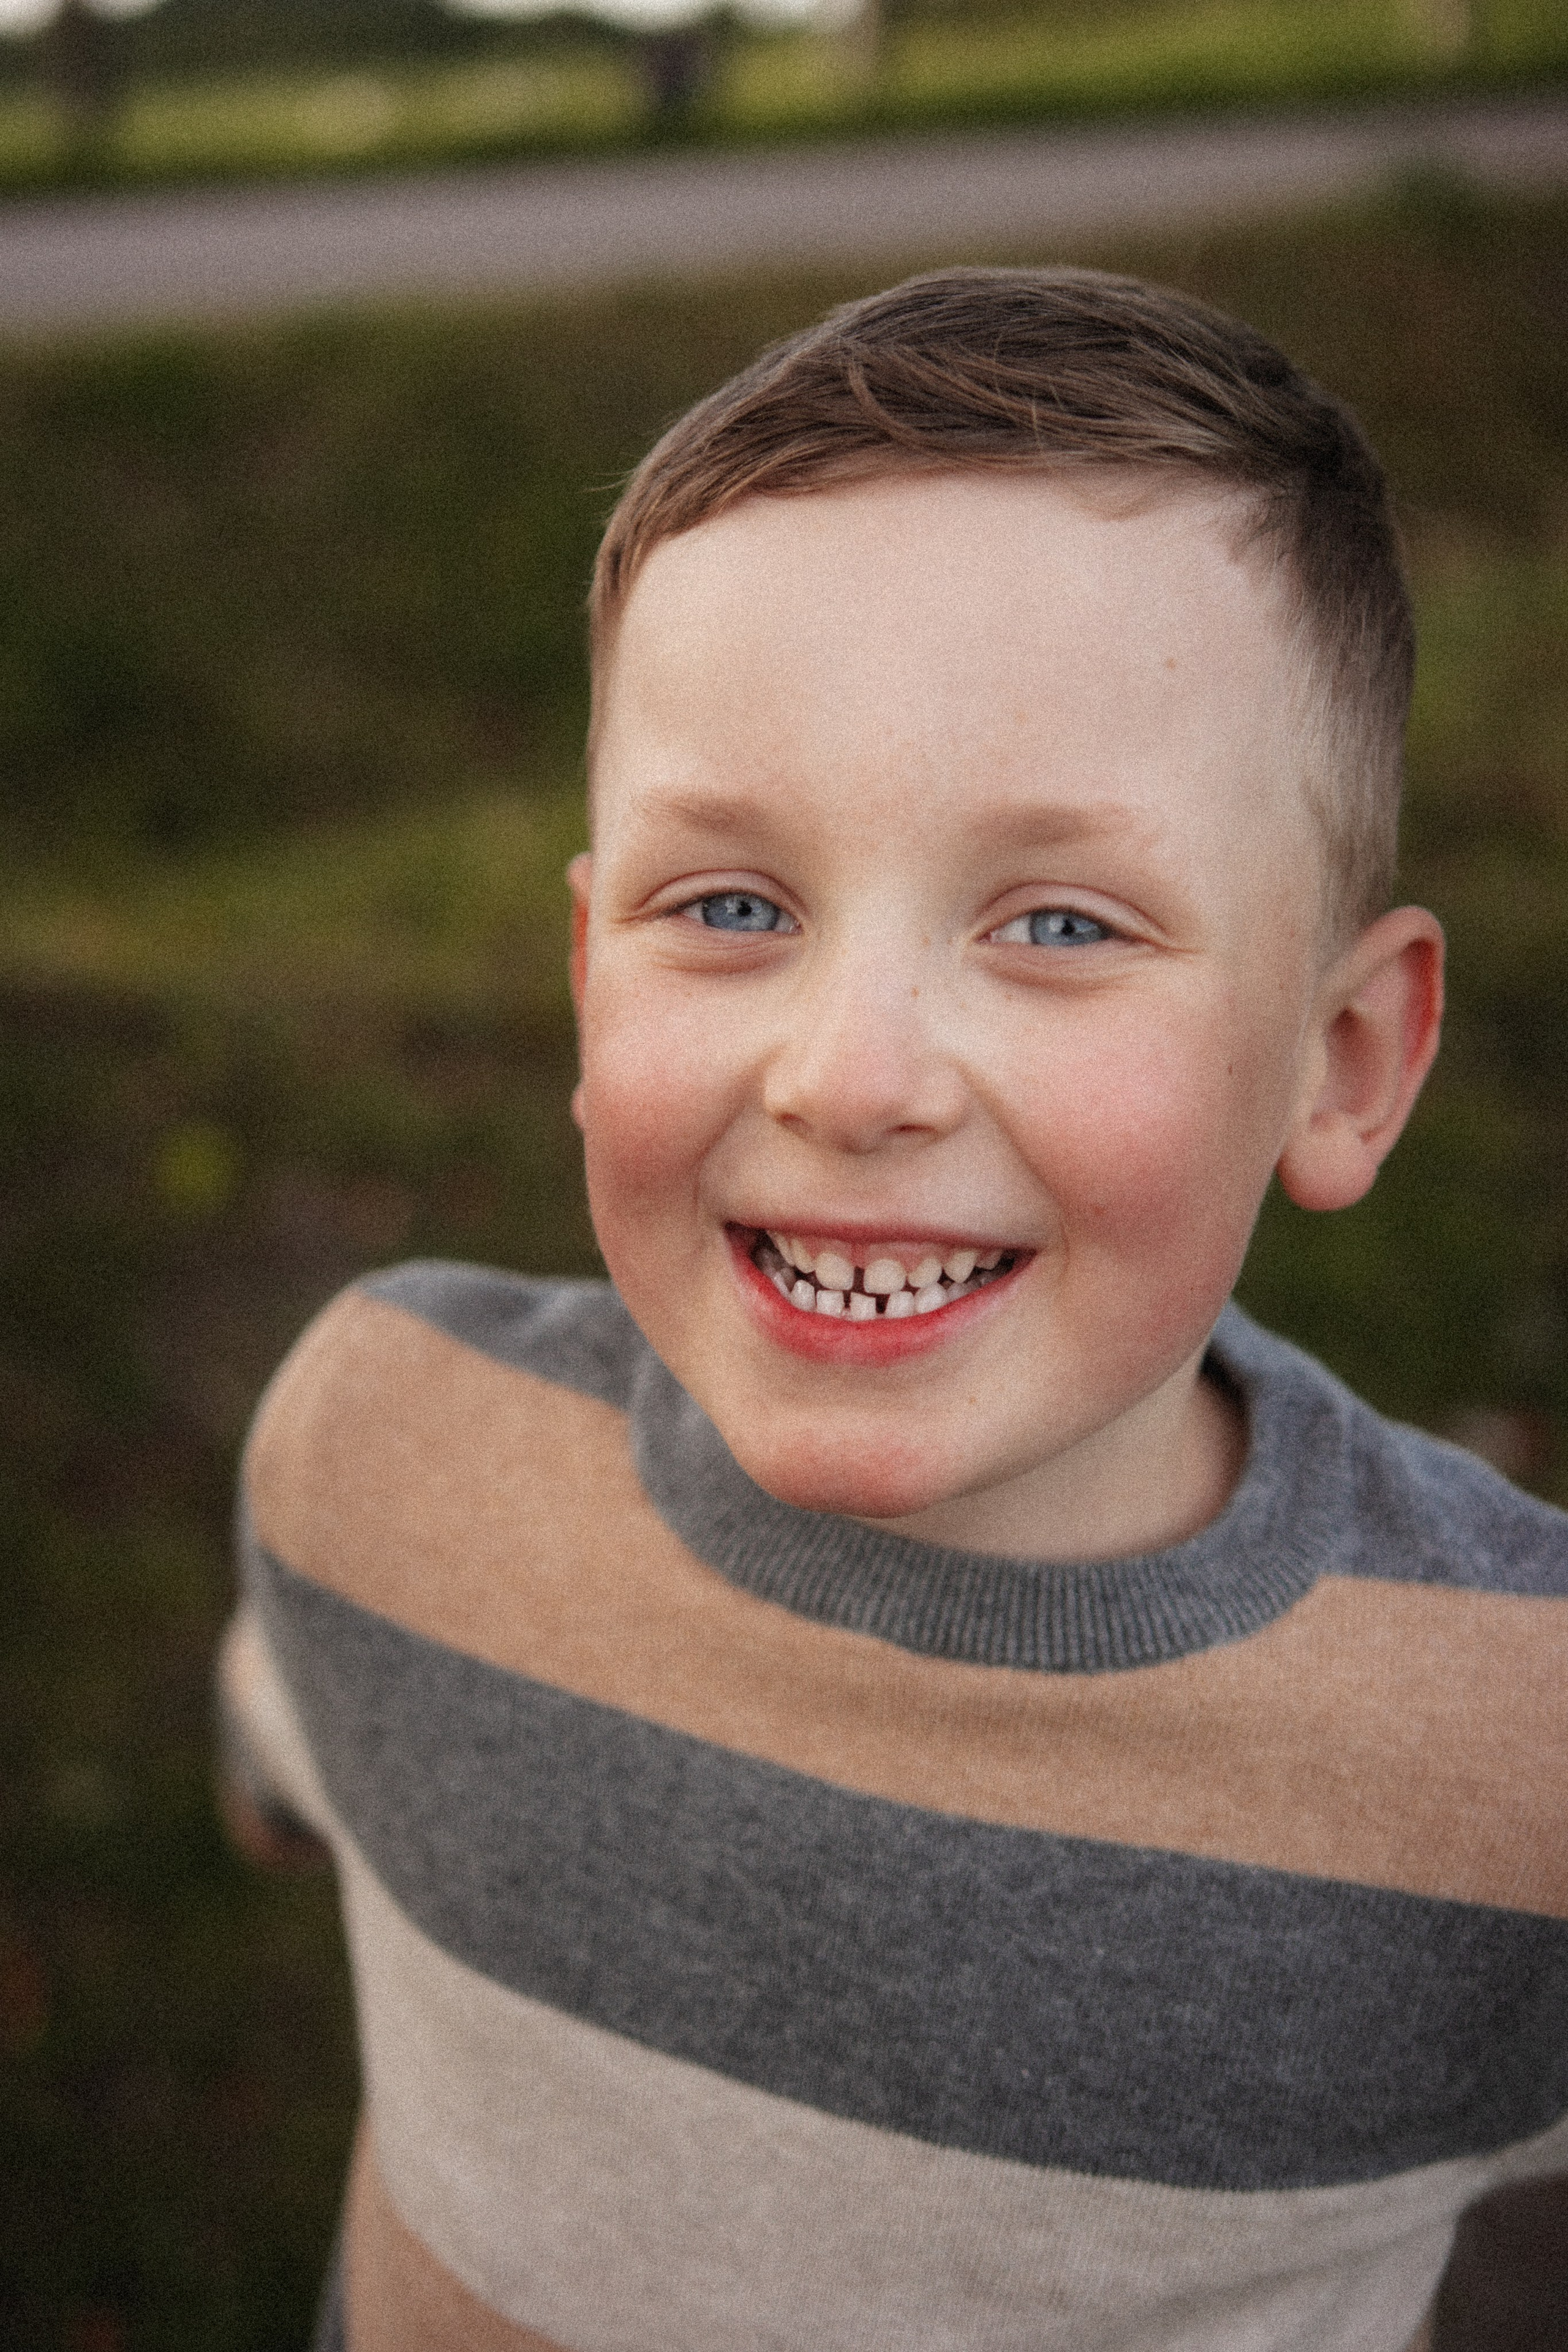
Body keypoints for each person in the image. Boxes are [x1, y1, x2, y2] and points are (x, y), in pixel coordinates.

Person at [217, 267, 1568, 2352]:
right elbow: (289, 1761)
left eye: (1057, 922)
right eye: (731, 905)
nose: (851, 1079)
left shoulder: (1519, 1752)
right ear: (592, 982)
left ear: (1348, 1059)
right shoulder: (384, 1452)